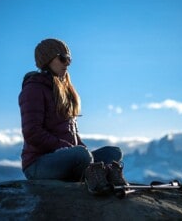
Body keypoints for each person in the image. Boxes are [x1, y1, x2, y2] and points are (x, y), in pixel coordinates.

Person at [18, 38, 128, 194]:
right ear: (48, 60)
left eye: (69, 59)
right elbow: (32, 133)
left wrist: (81, 149)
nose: (67, 63)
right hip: (38, 164)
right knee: (81, 155)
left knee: (114, 153)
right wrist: (72, 150)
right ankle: (96, 179)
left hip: (68, 158)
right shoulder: (33, 89)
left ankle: (102, 176)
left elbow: (72, 135)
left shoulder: (64, 90)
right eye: (63, 58)